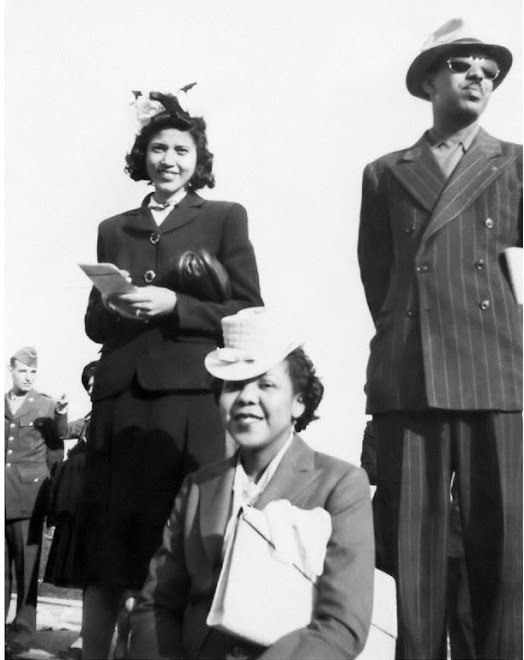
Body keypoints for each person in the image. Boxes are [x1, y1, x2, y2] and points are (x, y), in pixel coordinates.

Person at [357, 18, 522, 660]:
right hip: (411, 376)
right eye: (461, 63)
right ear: (429, 79)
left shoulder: (518, 164)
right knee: (411, 560)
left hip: (499, 375)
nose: (479, 74)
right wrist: (409, 337)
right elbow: (382, 282)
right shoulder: (384, 174)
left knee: (506, 560)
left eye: (489, 66)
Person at [81, 87, 263, 658]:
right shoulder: (114, 228)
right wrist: (114, 304)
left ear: (196, 160)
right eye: (158, 148)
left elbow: (248, 310)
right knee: (107, 552)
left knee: (183, 540)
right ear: (143, 156)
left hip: (188, 400)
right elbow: (91, 325)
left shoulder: (224, 218)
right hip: (119, 401)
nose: (168, 160)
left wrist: (176, 307)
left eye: (181, 150)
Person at [129, 307, 375, 660]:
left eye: (266, 384)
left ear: (299, 401)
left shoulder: (341, 484)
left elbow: (341, 624)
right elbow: (157, 603)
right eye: (233, 385)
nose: (246, 397)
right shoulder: (199, 486)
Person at [5, 346, 68, 654]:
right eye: (23, 370)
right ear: (11, 369)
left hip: (30, 497)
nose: (28, 376)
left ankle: (23, 630)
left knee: (27, 568)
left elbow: (57, 445)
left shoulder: (45, 406)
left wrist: (50, 493)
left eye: (33, 371)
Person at [43, 360, 97, 660]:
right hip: (82, 503)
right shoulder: (91, 417)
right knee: (87, 575)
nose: (92, 390)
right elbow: (64, 432)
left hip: (102, 503)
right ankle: (85, 637)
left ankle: (90, 640)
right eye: (88, 386)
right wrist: (61, 410)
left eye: (95, 384)